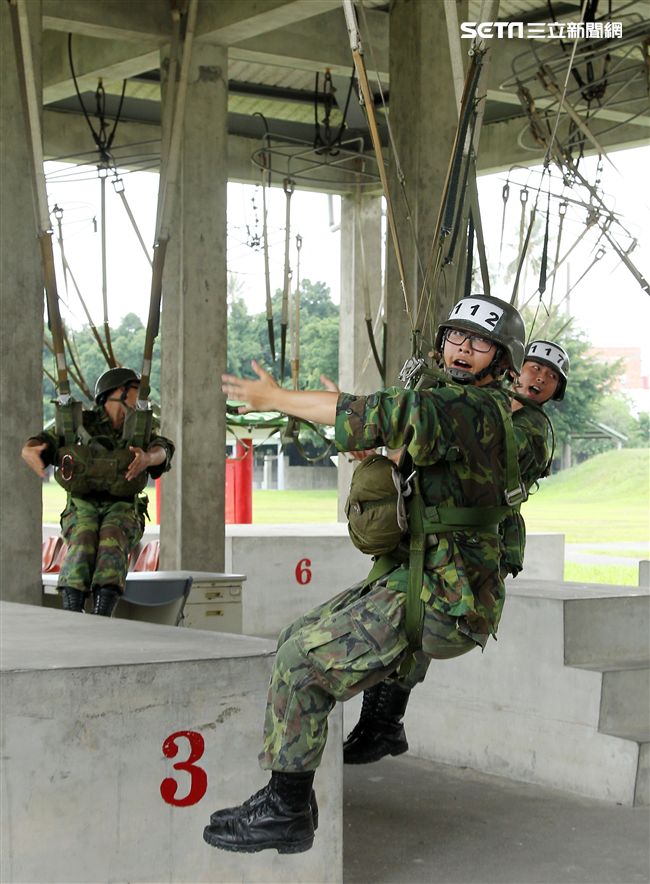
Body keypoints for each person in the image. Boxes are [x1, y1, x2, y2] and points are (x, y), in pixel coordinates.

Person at [203, 294, 534, 855]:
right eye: (456, 337)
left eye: (480, 343)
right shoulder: (469, 411)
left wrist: (277, 398)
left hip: (441, 596)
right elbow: (414, 449)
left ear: (501, 362)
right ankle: (304, 788)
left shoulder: (466, 409)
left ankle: (285, 810)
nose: (462, 349)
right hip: (436, 580)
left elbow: (367, 414)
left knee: (299, 663)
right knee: (293, 639)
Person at [343, 338, 569, 765]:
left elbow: (472, 460)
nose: (539, 378)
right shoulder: (484, 407)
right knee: (405, 620)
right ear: (512, 369)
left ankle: (384, 724)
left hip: (472, 545)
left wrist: (407, 433)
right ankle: (379, 724)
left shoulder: (531, 429)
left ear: (556, 391)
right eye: (535, 367)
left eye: (550, 376)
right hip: (438, 536)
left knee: (417, 625)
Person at [21, 367, 174, 616]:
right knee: (83, 535)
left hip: (123, 508)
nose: (142, 396)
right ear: (117, 392)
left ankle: (103, 613)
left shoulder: (140, 428)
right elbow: (44, 441)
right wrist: (30, 448)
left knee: (112, 536)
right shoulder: (81, 423)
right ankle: (73, 610)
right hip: (81, 507)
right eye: (135, 389)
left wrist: (147, 458)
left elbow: (163, 449)